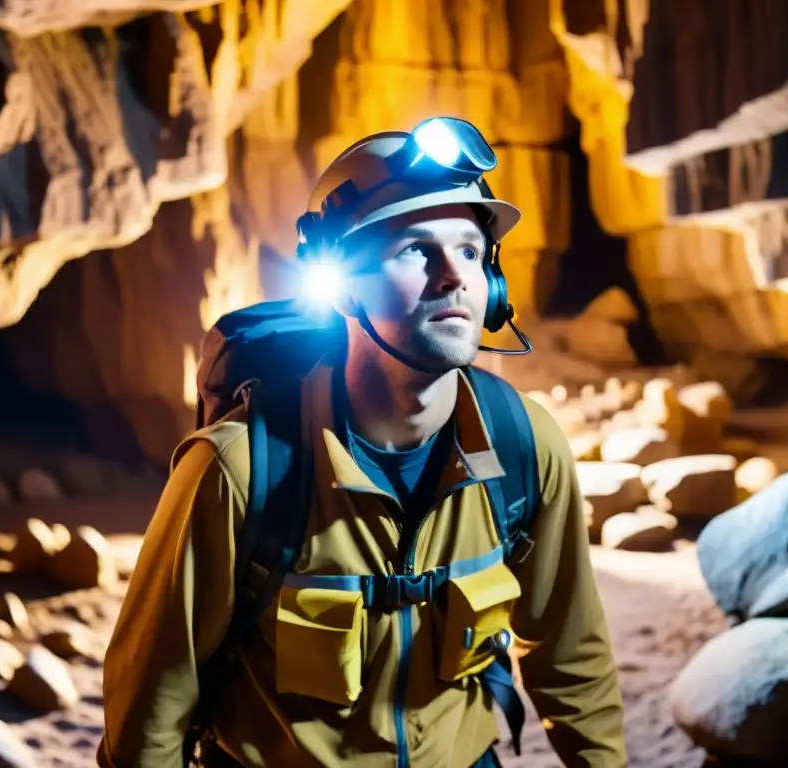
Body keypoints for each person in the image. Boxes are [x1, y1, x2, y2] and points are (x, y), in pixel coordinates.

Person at [98, 117, 626, 768]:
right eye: (414, 251)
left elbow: (571, 660)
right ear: (344, 282)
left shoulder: (523, 447)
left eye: (468, 250)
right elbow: (150, 709)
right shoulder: (239, 470)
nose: (452, 276)